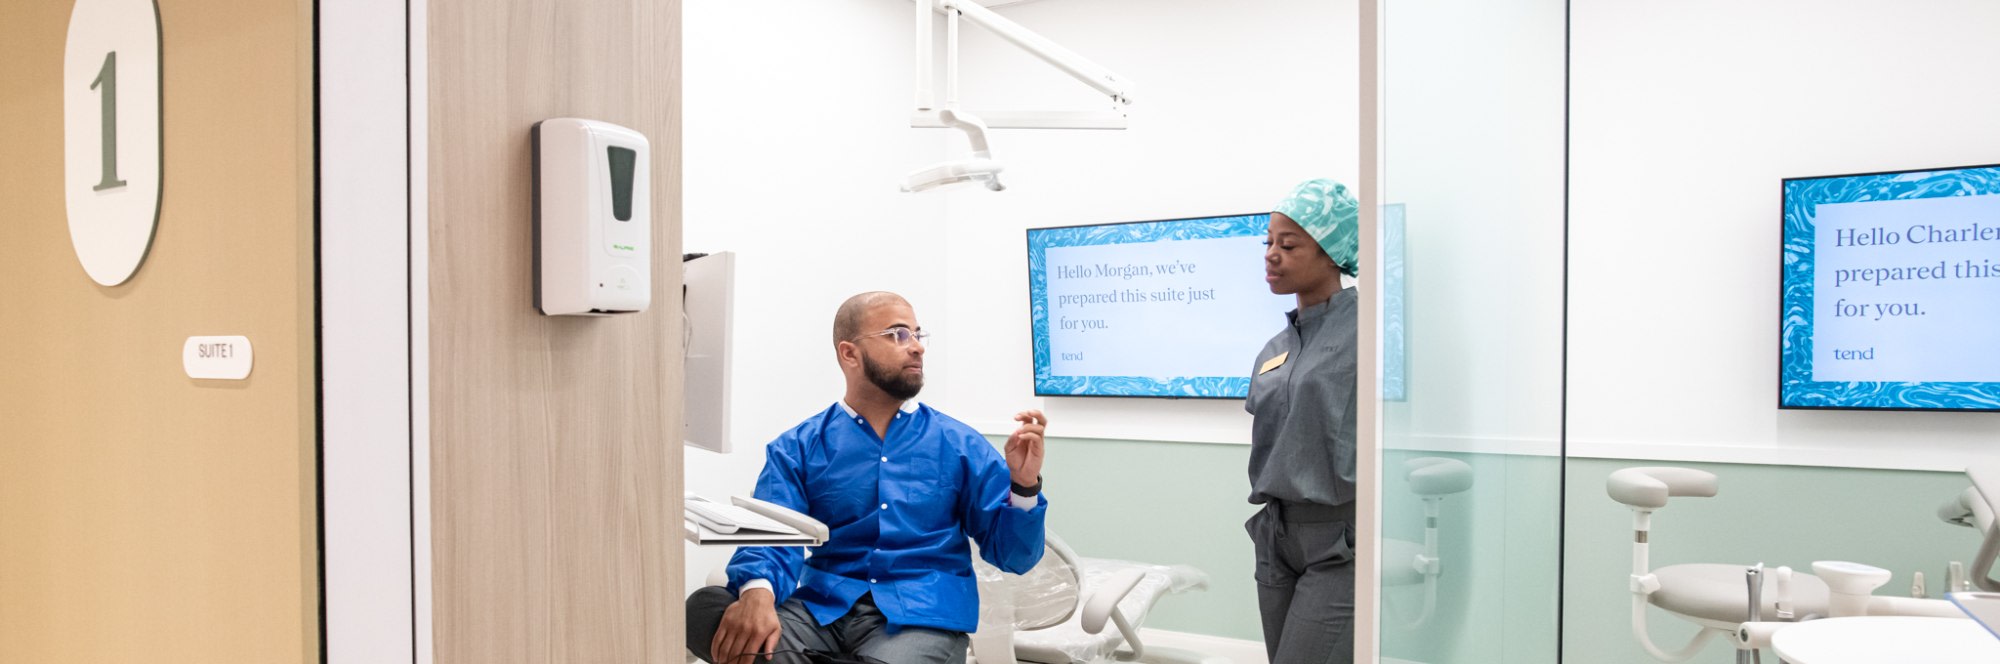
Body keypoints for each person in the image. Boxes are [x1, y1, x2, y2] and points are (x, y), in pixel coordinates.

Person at [687, 291, 1051, 664]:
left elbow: (1014, 557)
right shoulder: (797, 447)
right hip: (822, 613)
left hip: (920, 619)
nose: (917, 348)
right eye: (898, 334)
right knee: (703, 611)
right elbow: (773, 536)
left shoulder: (960, 444)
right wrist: (756, 594)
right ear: (850, 354)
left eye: (917, 334)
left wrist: (1023, 486)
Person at [1245, 178, 1361, 664]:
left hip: (1337, 541)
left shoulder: (1368, 330)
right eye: (1268, 242)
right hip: (1274, 535)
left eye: (1288, 244)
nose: (1272, 253)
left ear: (1333, 251)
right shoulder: (1276, 348)